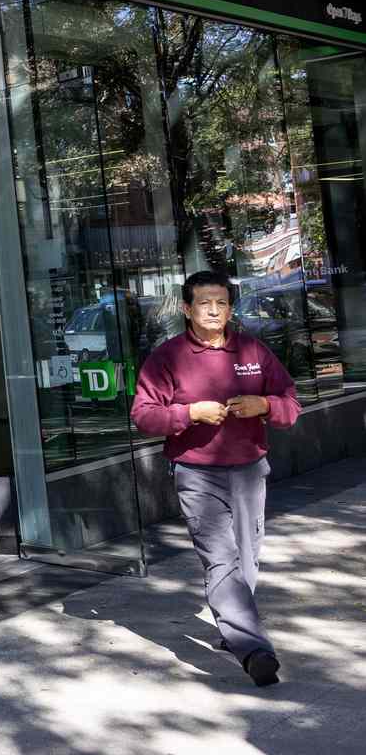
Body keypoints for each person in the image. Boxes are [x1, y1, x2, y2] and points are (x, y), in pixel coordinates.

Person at [130, 269, 300, 687]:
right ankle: (254, 649)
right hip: (196, 473)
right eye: (204, 302)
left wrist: (263, 403)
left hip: (248, 470)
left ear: (229, 308)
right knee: (221, 558)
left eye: (221, 303)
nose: (213, 310)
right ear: (187, 309)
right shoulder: (166, 357)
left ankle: (233, 627)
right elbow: (142, 415)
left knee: (246, 556)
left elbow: (291, 405)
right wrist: (188, 414)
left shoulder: (252, 351)